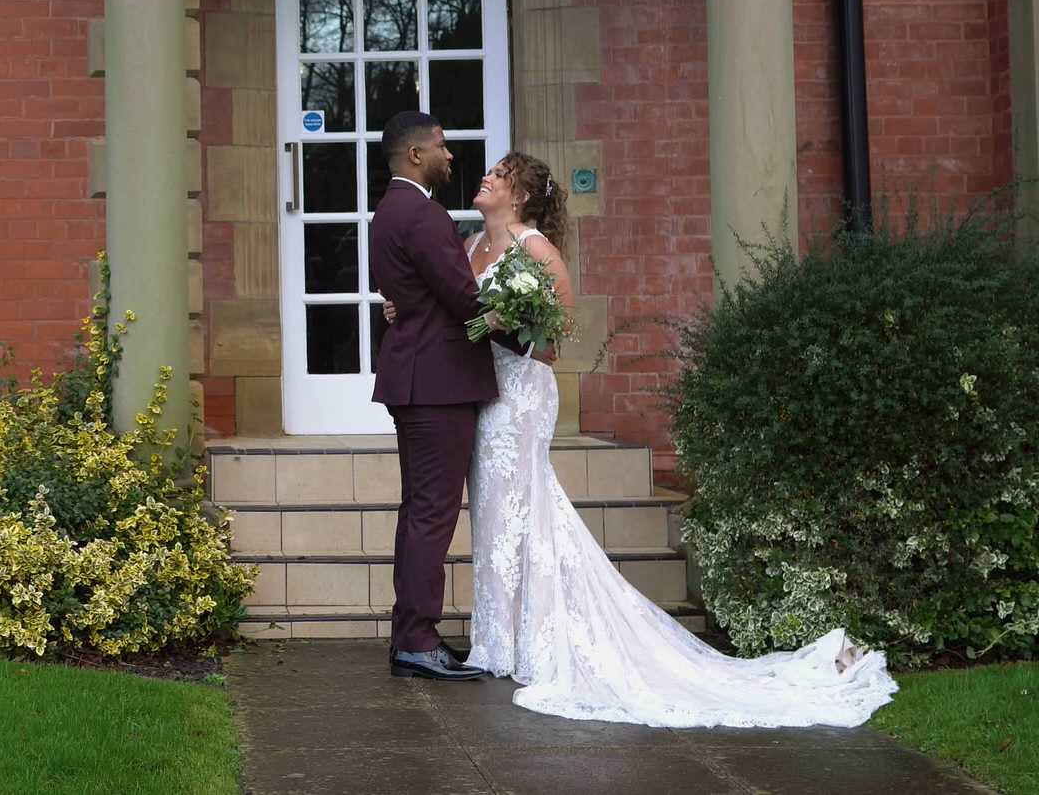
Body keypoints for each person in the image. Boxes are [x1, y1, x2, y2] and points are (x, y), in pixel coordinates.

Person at [387, 150, 899, 726]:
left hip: (519, 396)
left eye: (499, 175)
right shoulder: (467, 246)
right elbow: (451, 308)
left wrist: (504, 325)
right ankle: (495, 638)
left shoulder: (535, 250)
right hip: (472, 396)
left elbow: (556, 338)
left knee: (518, 509)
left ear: (521, 196)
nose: (486, 178)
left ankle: (523, 642)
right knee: (492, 515)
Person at [365, 111, 496, 681]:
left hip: (421, 379)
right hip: (435, 385)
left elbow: (417, 296)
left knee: (421, 510)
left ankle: (409, 635)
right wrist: (526, 331)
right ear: (416, 155)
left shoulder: (390, 211)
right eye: (441, 146)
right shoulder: (422, 214)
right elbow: (463, 299)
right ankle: (417, 638)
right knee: (431, 514)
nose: (449, 155)